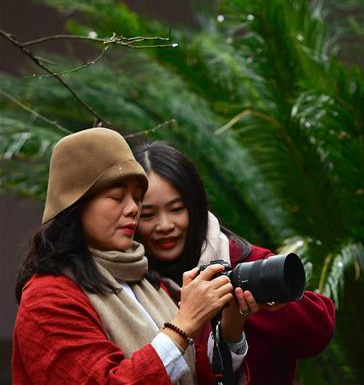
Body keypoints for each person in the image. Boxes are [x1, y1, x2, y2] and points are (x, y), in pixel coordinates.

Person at [13, 127, 248, 384]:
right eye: (117, 197)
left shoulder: (145, 281)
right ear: (76, 204)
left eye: (137, 198)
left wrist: (231, 325)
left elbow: (192, 374)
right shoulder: (47, 299)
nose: (133, 209)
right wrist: (184, 324)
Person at [133, 141, 336, 385]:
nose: (164, 225)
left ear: (195, 207)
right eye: (148, 215)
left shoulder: (237, 259)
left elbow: (318, 328)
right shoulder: (127, 287)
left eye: (177, 209)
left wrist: (244, 299)